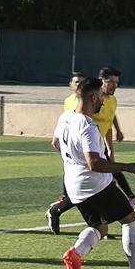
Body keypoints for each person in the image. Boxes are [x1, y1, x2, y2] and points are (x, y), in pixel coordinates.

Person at [53, 77, 135, 269]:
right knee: (130, 219)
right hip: (94, 185)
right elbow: (94, 163)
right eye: (101, 97)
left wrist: (73, 162)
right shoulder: (88, 126)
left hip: (74, 186)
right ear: (94, 97)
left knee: (100, 227)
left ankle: (75, 254)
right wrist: (126, 167)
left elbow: (55, 143)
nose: (103, 101)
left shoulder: (65, 117)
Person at [92, 66, 135, 207]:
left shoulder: (112, 100)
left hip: (98, 145)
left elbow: (108, 120)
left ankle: (128, 196)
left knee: (109, 169)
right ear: (102, 81)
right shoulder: (92, 99)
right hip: (87, 144)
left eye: (116, 82)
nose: (115, 85)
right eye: (111, 81)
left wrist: (115, 135)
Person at [45, 72, 85, 234]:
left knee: (87, 193)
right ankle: (56, 211)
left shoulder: (100, 101)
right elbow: (59, 137)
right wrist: (71, 157)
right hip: (81, 157)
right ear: (70, 85)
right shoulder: (70, 105)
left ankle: (99, 225)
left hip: (94, 151)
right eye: (76, 82)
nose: (78, 85)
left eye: (81, 82)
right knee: (80, 194)